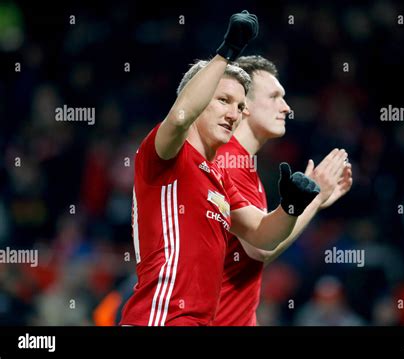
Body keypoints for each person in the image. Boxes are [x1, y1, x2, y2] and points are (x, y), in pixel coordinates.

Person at [120, 11, 320, 326]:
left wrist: (292, 206)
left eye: (240, 106)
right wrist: (227, 52)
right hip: (159, 319)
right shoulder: (165, 156)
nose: (233, 113)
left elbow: (262, 236)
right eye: (223, 100)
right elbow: (182, 115)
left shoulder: (219, 178)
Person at [212, 55, 353, 325]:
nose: (287, 107)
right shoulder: (228, 163)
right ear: (244, 105)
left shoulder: (242, 164)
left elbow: (252, 255)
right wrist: (316, 197)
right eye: (275, 96)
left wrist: (313, 199)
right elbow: (261, 249)